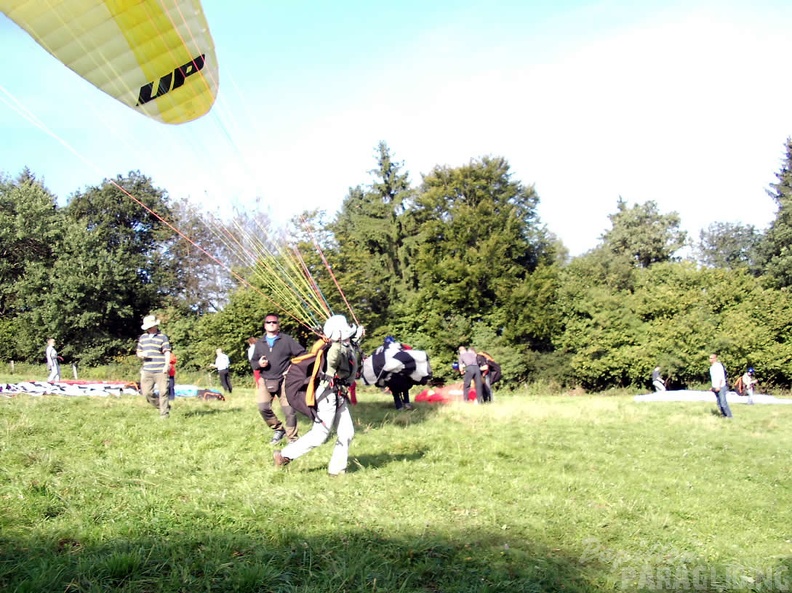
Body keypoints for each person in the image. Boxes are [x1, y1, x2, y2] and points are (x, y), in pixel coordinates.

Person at [274, 314, 358, 475]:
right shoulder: (333, 350)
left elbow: (350, 348)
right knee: (320, 435)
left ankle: (337, 470)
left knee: (347, 433)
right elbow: (339, 354)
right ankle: (284, 456)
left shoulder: (343, 345)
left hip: (338, 394)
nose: (348, 337)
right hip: (327, 396)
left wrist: (357, 335)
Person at [250, 314, 306, 444]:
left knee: (289, 411)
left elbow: (302, 354)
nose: (271, 324)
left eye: (274, 322)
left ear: (278, 325)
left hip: (284, 380)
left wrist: (292, 367)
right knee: (263, 407)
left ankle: (292, 438)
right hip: (265, 379)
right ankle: (279, 429)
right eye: (268, 322)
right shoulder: (259, 343)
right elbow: (253, 363)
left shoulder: (286, 340)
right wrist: (259, 363)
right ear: (265, 325)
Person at [136, 314, 172, 418]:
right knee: (147, 393)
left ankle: (164, 414)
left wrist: (166, 365)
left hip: (161, 369)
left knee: (163, 392)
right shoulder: (143, 338)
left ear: (155, 326)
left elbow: (167, 352)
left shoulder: (162, 337)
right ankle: (162, 406)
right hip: (147, 370)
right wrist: (142, 355)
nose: (150, 328)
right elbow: (138, 352)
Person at [708, 353, 732, 418]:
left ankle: (729, 416)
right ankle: (724, 416)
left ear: (715, 359)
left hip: (721, 386)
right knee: (719, 404)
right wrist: (712, 387)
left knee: (723, 403)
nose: (710, 359)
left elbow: (721, 376)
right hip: (715, 387)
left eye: (711, 358)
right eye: (709, 358)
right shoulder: (711, 368)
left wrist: (719, 386)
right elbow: (714, 378)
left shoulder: (718, 366)